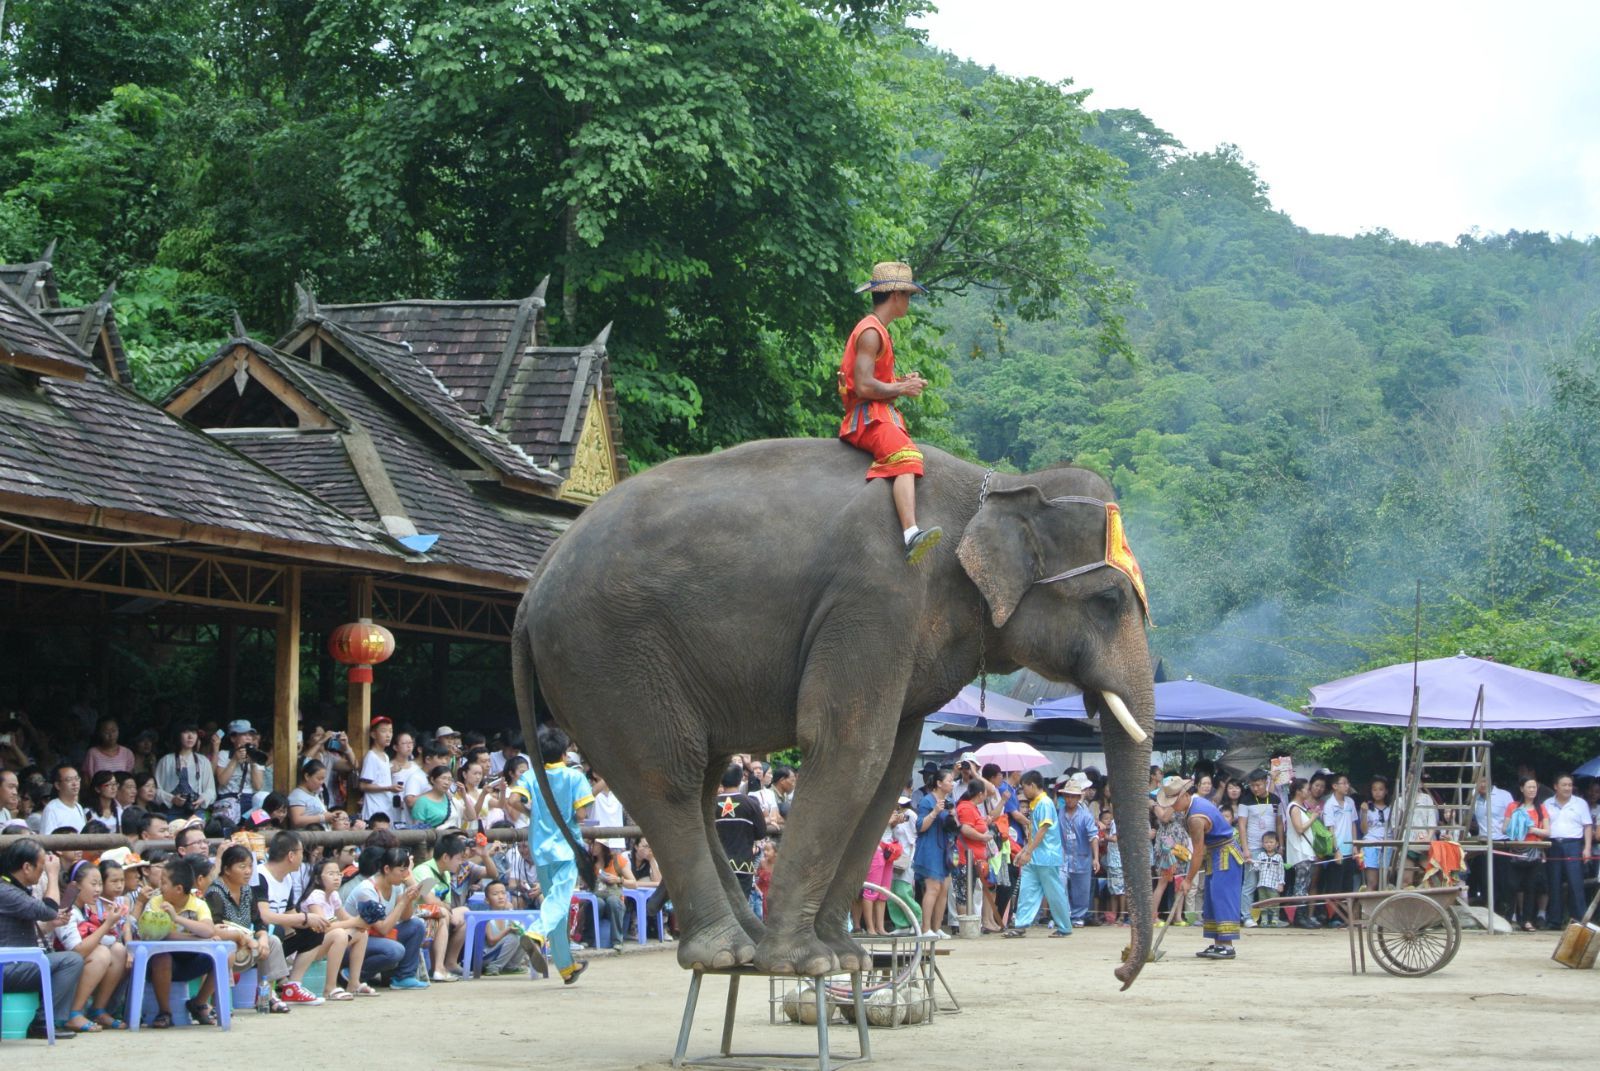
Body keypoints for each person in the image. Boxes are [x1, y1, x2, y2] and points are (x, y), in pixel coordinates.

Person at [836, 260, 941, 563]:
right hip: (867, 419)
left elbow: (873, 382)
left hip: (878, 413)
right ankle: (910, 534)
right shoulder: (871, 333)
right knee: (907, 457)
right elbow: (865, 387)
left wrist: (899, 382)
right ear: (895, 296)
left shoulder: (877, 330)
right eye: (907, 295)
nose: (909, 301)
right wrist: (901, 389)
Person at [505, 724, 592, 984]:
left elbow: (512, 801)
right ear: (565, 753)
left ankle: (567, 967)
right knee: (558, 902)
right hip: (567, 847)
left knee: (555, 904)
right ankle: (535, 934)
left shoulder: (532, 775)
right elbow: (580, 815)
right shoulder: (575, 777)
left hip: (539, 847)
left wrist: (534, 815)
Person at [0, 838, 87, 1039]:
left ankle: (44, 1020)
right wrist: (53, 874)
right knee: (71, 960)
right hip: (7, 967)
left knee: (60, 959)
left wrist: (52, 923)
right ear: (27, 867)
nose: (43, 872)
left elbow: (45, 917)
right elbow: (49, 910)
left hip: (12, 964)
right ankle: (42, 1022)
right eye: (41, 867)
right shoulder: (6, 891)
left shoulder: (11, 890)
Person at [1164, 776, 1245, 959]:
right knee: (1212, 896)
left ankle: (1227, 944)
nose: (1172, 805)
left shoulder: (1195, 817)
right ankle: (1218, 942)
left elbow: (1198, 851)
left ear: (1184, 795)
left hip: (1225, 854)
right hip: (1215, 853)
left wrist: (1187, 880)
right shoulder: (1195, 803)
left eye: (1173, 801)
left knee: (1222, 896)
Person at [205, 844, 292, 1011]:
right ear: (227, 869)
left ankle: (266, 996)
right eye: (242, 866)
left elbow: (259, 922)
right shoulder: (215, 893)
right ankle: (220, 1004)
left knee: (273, 941)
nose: (248, 871)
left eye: (250, 866)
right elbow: (214, 927)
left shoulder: (247, 891)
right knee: (226, 947)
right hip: (229, 946)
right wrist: (242, 938)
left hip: (247, 947)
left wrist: (263, 939)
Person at [249, 831, 329, 1003]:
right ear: (291, 855)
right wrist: (305, 918)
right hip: (257, 939)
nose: (303, 857)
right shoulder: (260, 876)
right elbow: (264, 916)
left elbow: (290, 914)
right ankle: (268, 991)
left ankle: (293, 986)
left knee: (314, 932)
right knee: (276, 929)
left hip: (277, 939)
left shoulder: (287, 879)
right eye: (301, 853)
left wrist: (313, 922)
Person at [144, 856, 221, 1027]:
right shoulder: (157, 902)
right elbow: (160, 935)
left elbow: (208, 930)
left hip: (191, 960)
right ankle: (165, 1012)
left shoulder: (198, 904)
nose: (160, 887)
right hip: (161, 964)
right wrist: (197, 938)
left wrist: (177, 918)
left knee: (225, 956)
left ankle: (198, 1002)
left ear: (178, 888)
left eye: (164, 883)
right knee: (162, 957)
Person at [345, 845, 430, 989]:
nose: (405, 875)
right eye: (401, 870)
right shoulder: (367, 890)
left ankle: (404, 977)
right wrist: (403, 901)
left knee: (417, 925)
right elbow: (382, 929)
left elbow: (406, 917)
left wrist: (408, 899)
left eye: (406, 870)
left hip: (375, 938)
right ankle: (354, 974)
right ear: (387, 869)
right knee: (395, 950)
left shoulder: (395, 885)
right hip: (354, 940)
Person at [1004, 771, 1072, 938]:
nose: (1023, 791)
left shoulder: (1045, 803)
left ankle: (1064, 926)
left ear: (1032, 785)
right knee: (1027, 890)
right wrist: (1024, 851)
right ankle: (1021, 925)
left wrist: (1027, 850)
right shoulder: (1037, 803)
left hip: (1046, 856)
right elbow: (1035, 833)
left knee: (1054, 892)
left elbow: (1043, 829)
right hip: (1035, 856)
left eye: (1024, 787)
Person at [298, 856, 369, 998]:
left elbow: (346, 918)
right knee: (339, 934)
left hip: (323, 943)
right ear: (318, 879)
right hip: (308, 947)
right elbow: (322, 927)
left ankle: (353, 983)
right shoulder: (315, 896)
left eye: (338, 873)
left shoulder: (333, 895)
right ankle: (329, 988)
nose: (336, 878)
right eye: (331, 874)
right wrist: (354, 922)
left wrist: (361, 923)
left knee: (362, 933)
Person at [1543, 773, 1594, 929]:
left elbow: (1587, 826)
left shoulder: (1580, 803)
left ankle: (1580, 920)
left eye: (1570, 785)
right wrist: (1543, 848)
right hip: (1553, 845)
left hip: (1573, 844)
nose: (1567, 788)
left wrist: (1587, 848)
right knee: (1554, 883)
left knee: (1575, 883)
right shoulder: (1547, 803)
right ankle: (1554, 920)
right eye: (1564, 785)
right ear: (1556, 787)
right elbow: (1542, 826)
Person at [913, 767, 957, 939]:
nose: (952, 784)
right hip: (930, 848)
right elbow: (920, 826)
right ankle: (925, 929)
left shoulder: (949, 801)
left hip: (945, 848)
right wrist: (935, 812)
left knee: (944, 888)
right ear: (939, 783)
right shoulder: (927, 801)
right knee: (932, 888)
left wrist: (952, 814)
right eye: (949, 781)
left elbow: (954, 826)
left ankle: (937, 927)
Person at [711, 763, 765, 902]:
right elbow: (761, 833)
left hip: (716, 867)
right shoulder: (751, 803)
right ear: (741, 778)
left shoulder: (710, 804)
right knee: (741, 909)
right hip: (743, 866)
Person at [1503, 779, 1550, 931]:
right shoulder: (1513, 807)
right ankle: (1510, 917)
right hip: (1516, 851)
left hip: (1534, 852)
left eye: (1534, 787)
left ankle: (1527, 920)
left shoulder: (1541, 808)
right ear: (1522, 788)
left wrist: (1532, 830)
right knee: (1512, 885)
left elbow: (1547, 832)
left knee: (1531, 886)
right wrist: (1517, 826)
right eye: (1529, 787)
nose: (1532, 790)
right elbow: (1504, 829)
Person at [1057, 773, 1100, 927]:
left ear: (1078, 798)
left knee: (1081, 889)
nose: (1069, 799)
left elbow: (1093, 836)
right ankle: (1065, 914)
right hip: (1063, 856)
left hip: (1082, 856)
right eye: (1067, 796)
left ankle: (1078, 916)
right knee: (1060, 884)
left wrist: (1095, 858)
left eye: (1073, 796)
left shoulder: (1085, 815)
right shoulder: (1060, 812)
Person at [1237, 768, 1277, 928]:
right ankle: (1245, 916)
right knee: (1250, 883)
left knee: (1270, 883)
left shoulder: (1275, 799)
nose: (1255, 788)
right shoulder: (1245, 800)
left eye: (1258, 785)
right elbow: (1241, 825)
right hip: (1253, 847)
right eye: (1253, 785)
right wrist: (1245, 849)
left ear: (1265, 783)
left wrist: (1279, 844)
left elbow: (1279, 822)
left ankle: (1270, 917)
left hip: (1272, 847)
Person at [1469, 772, 1513, 913]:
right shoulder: (1474, 797)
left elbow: (1513, 816)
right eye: (1478, 782)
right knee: (1486, 878)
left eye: (1484, 781)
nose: (1482, 785)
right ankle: (1490, 909)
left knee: (1503, 879)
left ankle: (1505, 910)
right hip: (1483, 843)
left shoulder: (1504, 795)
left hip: (1502, 842)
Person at [1320, 773, 1358, 925]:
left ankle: (1343, 917)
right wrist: (1336, 850)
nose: (1346, 786)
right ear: (1335, 786)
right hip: (1338, 851)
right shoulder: (1329, 805)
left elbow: (1353, 824)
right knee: (1335, 885)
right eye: (1343, 783)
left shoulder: (1350, 802)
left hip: (1350, 849)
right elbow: (1330, 830)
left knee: (1347, 886)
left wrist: (1355, 844)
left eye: (1347, 783)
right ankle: (1333, 917)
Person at [213, 719, 266, 828]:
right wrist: (234, 760)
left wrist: (252, 763)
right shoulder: (224, 755)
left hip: (250, 801)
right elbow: (222, 781)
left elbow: (258, 786)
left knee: (262, 804)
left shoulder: (256, 755)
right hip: (228, 800)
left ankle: (254, 831)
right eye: (243, 734)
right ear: (233, 738)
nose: (248, 737)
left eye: (250, 735)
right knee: (229, 830)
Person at [154, 725, 216, 817]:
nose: (190, 736)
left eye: (194, 733)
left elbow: (211, 790)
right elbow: (156, 790)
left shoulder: (203, 761)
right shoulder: (166, 760)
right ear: (178, 735)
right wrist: (172, 799)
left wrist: (202, 798)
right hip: (170, 811)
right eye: (186, 732)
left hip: (196, 810)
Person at [1285, 778, 1319, 928]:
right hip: (1300, 852)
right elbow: (1299, 828)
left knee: (1305, 884)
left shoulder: (1300, 807)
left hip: (1305, 851)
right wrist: (1312, 818)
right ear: (1298, 791)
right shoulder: (1294, 808)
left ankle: (1304, 916)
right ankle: (1300, 917)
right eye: (1306, 788)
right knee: (1301, 885)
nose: (1308, 791)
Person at [357, 716, 403, 823]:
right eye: (383, 731)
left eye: (390, 731)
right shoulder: (371, 756)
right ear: (373, 734)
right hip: (374, 809)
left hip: (385, 807)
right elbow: (363, 785)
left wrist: (390, 770)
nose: (388, 735)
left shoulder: (385, 756)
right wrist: (389, 788)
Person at [1358, 775, 1394, 890]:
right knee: (1372, 882)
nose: (1377, 792)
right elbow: (1364, 830)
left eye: (1381, 789)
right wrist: (1364, 813)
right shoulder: (1366, 807)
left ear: (1386, 791)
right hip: (1371, 844)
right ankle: (1367, 908)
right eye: (1374, 789)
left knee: (1384, 882)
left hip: (1387, 844)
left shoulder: (1392, 808)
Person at [40, 764, 88, 832]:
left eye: (77, 779)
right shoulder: (52, 809)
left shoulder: (78, 807)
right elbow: (47, 838)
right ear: (57, 785)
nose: (75, 783)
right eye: (69, 780)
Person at [1253, 831, 1286, 926]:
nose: (1268, 845)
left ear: (1277, 844)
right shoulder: (1260, 856)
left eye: (1271, 842)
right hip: (1262, 884)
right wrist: (1254, 863)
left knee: (1274, 902)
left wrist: (1281, 883)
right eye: (1266, 842)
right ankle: (1264, 920)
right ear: (1263, 844)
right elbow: (1256, 869)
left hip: (1274, 885)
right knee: (1262, 902)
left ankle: (1275, 919)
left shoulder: (1278, 857)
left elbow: (1281, 871)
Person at [287, 759, 332, 829]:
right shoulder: (298, 796)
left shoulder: (314, 794)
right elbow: (296, 821)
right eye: (319, 779)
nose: (322, 782)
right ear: (307, 776)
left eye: (323, 779)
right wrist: (322, 817)